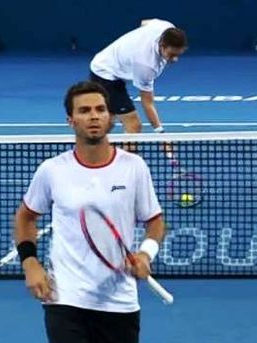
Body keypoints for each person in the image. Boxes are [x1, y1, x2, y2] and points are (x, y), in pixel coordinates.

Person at [14, 81, 166, 343]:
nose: (94, 116)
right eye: (84, 111)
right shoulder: (52, 170)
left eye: (100, 109)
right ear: (70, 120)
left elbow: (155, 222)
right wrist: (30, 264)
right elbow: (26, 216)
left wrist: (145, 253)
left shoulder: (134, 167)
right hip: (65, 298)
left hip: (119, 302)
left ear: (110, 117)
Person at [89, 18, 188, 134]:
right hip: (105, 73)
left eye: (178, 54)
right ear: (162, 45)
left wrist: (135, 43)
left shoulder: (165, 27)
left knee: (109, 120)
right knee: (134, 126)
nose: (175, 59)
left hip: (108, 62)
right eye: (171, 55)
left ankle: (92, 148)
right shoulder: (146, 65)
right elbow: (147, 102)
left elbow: (144, 22)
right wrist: (161, 133)